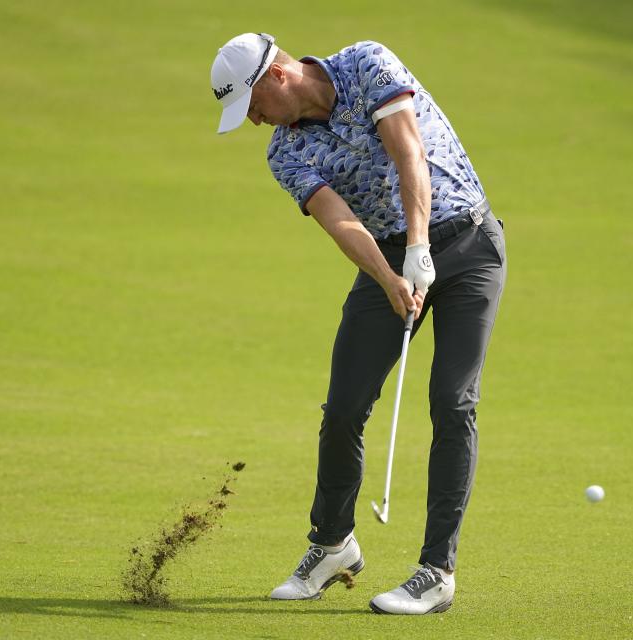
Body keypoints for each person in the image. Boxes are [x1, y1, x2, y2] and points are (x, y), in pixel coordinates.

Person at [210, 32, 506, 615]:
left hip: (468, 244)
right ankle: (332, 544)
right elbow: (338, 219)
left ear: (277, 77)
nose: (253, 121)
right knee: (344, 405)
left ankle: (435, 571)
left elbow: (408, 153)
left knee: (452, 401)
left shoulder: (367, 62)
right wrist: (392, 276)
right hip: (387, 258)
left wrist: (420, 247)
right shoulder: (283, 151)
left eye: (251, 106)